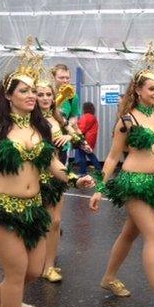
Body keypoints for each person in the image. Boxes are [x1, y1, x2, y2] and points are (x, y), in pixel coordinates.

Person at [0, 39, 93, 307]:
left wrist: (73, 178)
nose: (32, 95)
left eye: (33, 91)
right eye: (24, 90)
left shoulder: (41, 127)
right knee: (16, 272)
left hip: (33, 210)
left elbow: (51, 163)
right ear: (8, 96)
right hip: (1, 210)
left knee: (34, 271)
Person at [89, 43, 154, 307]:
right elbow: (113, 157)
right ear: (137, 91)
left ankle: (108, 278)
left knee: (129, 233)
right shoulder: (127, 120)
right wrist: (100, 187)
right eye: (152, 89)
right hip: (133, 182)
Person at [35, 73, 89, 283]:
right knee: (39, 222)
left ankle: (49, 266)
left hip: (58, 174)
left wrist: (70, 136)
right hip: (35, 176)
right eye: (41, 94)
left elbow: (75, 135)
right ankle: (36, 260)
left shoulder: (57, 117)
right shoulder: (30, 120)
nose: (46, 98)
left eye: (49, 94)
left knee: (56, 221)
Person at [51, 64, 80, 165]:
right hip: (44, 139)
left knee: (61, 173)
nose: (65, 81)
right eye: (61, 77)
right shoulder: (46, 94)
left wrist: (66, 123)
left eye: (67, 78)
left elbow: (74, 116)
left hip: (62, 142)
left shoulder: (72, 96)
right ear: (53, 78)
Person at [76, 101, 103, 176]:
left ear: (85, 108)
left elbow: (81, 129)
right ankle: (99, 170)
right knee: (90, 155)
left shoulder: (86, 117)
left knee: (82, 156)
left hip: (84, 140)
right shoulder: (92, 117)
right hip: (90, 139)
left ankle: (83, 172)